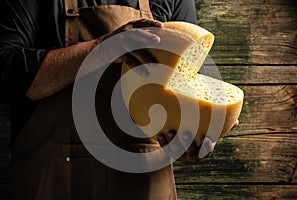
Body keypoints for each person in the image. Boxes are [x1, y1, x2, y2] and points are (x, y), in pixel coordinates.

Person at [0, 0, 238, 199]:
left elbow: (191, 90)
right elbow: (7, 76)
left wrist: (192, 139)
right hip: (51, 181)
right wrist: (102, 49)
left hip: (144, 184)